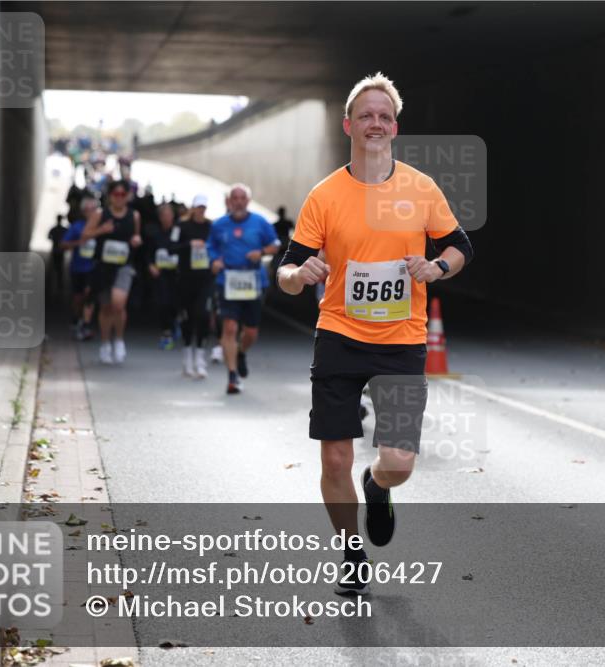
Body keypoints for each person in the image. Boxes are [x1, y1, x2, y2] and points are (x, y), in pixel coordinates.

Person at [277, 73, 474, 595]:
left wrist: (437, 268)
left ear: (395, 127)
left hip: (403, 340)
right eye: (366, 114)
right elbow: (287, 269)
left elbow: (460, 247)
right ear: (348, 124)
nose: (376, 123)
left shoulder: (420, 188)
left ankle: (377, 488)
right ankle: (349, 549)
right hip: (339, 334)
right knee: (335, 456)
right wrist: (299, 276)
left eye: (384, 116)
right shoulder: (325, 195)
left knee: (398, 463)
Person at [208, 184, 280, 394]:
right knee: (229, 328)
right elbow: (210, 246)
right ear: (229, 201)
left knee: (250, 332)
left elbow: (275, 243)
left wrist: (262, 251)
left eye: (242, 198)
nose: (238, 201)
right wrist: (214, 260)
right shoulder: (219, 225)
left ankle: (240, 352)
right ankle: (232, 376)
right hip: (227, 280)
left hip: (253, 281)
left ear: (247, 201)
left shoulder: (260, 222)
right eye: (234, 198)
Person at [81, 180, 143, 364]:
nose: (119, 198)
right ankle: (106, 342)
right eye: (116, 194)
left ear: (128, 196)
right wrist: (101, 230)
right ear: (110, 196)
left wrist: (136, 240)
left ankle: (119, 340)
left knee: (118, 303)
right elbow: (85, 235)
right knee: (106, 307)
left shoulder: (134, 216)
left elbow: (136, 236)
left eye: (123, 195)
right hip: (103, 266)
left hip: (124, 265)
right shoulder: (101, 214)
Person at [176, 195, 216, 378]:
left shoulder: (211, 227)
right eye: (199, 207)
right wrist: (188, 245)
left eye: (204, 208)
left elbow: (219, 246)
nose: (201, 211)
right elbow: (170, 246)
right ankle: (187, 358)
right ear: (193, 208)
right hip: (186, 279)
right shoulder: (182, 226)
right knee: (188, 318)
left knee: (203, 315)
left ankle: (200, 359)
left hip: (205, 279)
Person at [61, 196, 99, 340]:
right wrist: (79, 242)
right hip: (78, 268)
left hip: (94, 268)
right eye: (88, 210)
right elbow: (63, 245)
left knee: (89, 294)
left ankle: (86, 324)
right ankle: (77, 318)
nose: (92, 212)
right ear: (83, 211)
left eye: (94, 209)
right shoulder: (77, 226)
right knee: (78, 298)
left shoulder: (101, 226)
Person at [148, 204, 181, 350]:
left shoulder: (179, 231)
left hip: (176, 274)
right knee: (163, 302)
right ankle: (166, 332)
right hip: (161, 273)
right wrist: (151, 265)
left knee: (175, 302)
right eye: (164, 215)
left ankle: (176, 322)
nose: (167, 218)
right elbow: (147, 252)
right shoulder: (155, 233)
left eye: (169, 215)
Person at [47, 215, 68, 299]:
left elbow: (49, 237)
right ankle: (59, 285)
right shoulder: (63, 230)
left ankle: (55, 285)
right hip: (60, 251)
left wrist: (54, 239)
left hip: (56, 250)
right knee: (59, 268)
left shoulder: (54, 229)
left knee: (55, 268)